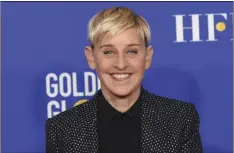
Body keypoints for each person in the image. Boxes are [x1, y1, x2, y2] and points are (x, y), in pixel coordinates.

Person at [46, 6, 203, 153]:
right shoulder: (62, 128)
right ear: (91, 57)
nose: (121, 64)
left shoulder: (180, 119)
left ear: (147, 57)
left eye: (132, 51)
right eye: (108, 52)